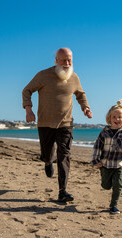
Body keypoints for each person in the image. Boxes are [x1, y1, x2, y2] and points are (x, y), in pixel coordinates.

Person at [22, 47, 92, 202]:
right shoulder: (43, 75)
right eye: (64, 60)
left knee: (64, 156)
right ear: (56, 61)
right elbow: (26, 91)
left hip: (66, 123)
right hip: (45, 123)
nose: (67, 63)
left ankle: (63, 191)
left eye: (70, 60)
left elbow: (80, 93)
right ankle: (47, 161)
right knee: (47, 154)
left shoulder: (74, 77)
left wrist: (85, 107)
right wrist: (28, 110)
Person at [91, 100, 122, 214]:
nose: (117, 119)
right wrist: (95, 160)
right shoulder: (104, 133)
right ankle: (105, 179)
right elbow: (97, 146)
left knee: (118, 185)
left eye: (119, 117)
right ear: (109, 118)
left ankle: (113, 206)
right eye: (114, 117)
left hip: (120, 165)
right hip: (105, 164)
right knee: (106, 186)